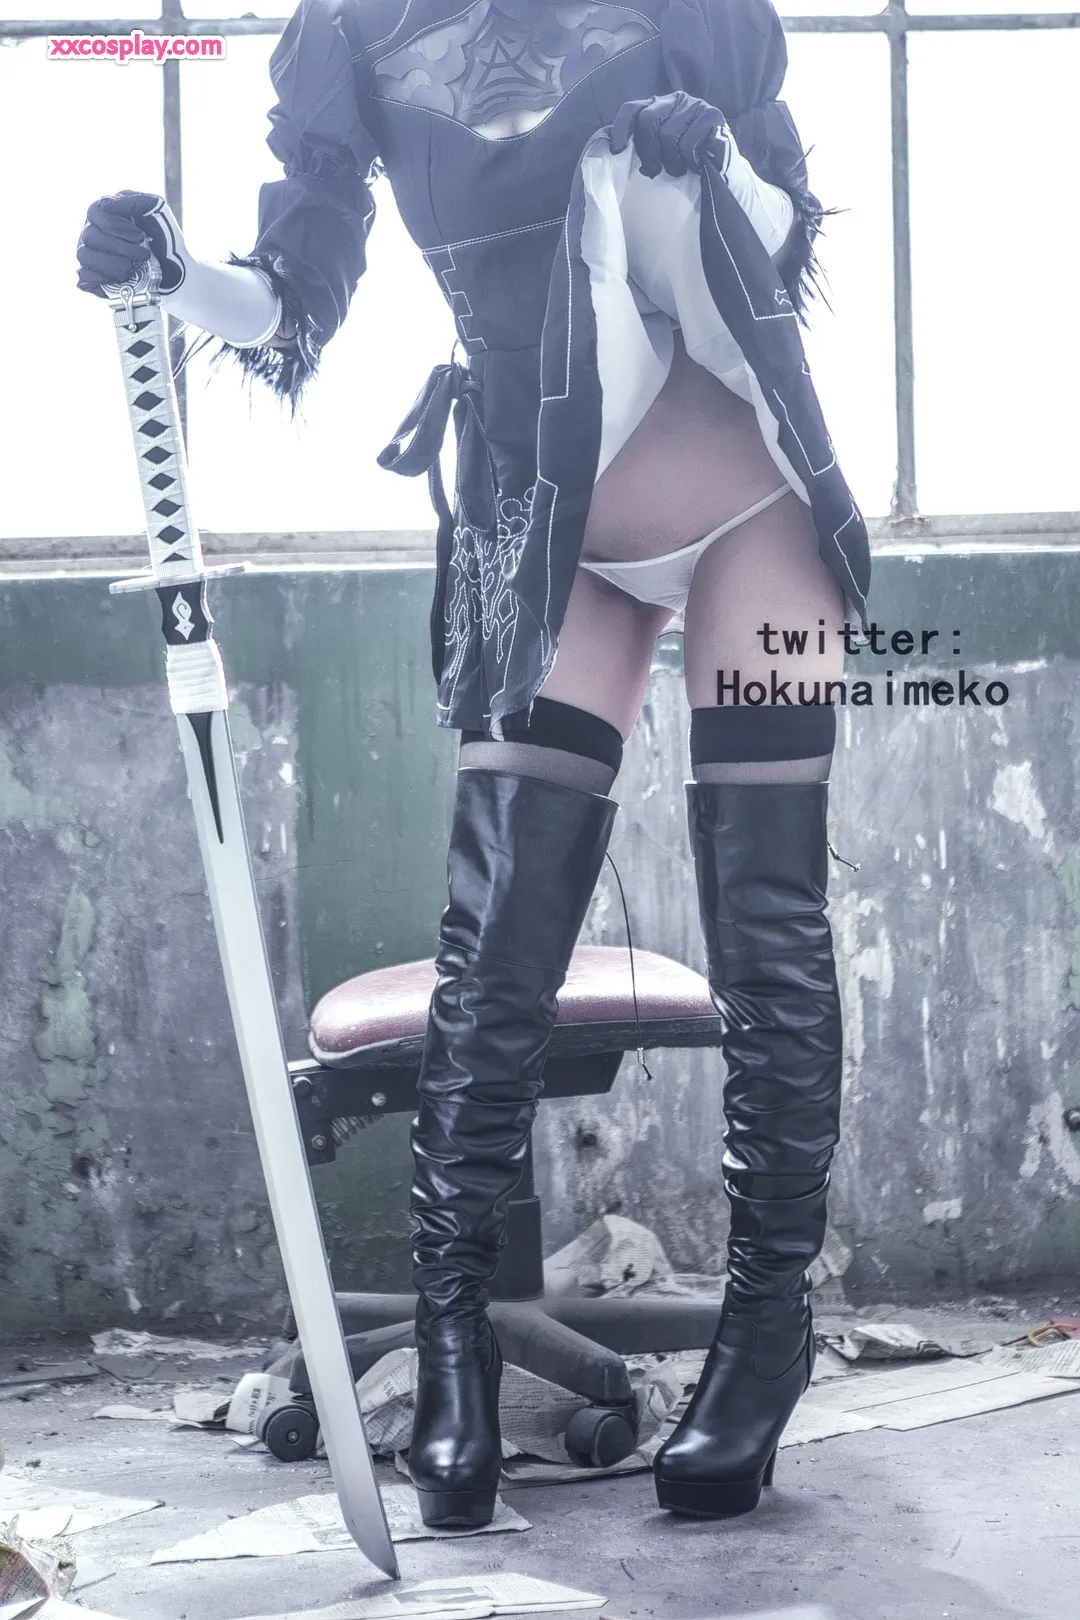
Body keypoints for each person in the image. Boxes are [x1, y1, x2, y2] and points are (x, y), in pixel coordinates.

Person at [77, 0, 872, 1532]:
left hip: (752, 497)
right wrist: (172, 272)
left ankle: (765, 1337)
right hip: (545, 516)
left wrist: (718, 168)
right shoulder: (355, 35)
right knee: (497, 935)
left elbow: (782, 236)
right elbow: (290, 308)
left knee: (771, 928)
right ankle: (452, 1347)